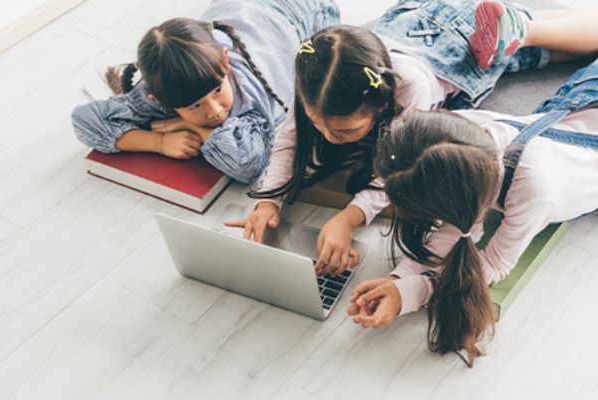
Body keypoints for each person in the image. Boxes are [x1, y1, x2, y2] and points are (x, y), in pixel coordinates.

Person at [228, 0, 598, 273]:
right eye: (318, 123)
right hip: (414, 18)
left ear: (379, 104)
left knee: (545, 45)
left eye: (344, 131)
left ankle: (520, 31)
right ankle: (523, 25)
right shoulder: (317, 79)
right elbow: (288, 139)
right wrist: (267, 202)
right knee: (550, 28)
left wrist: (350, 218)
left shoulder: (413, 89)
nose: (326, 135)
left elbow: (396, 168)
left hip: (460, 42)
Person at [347, 57, 598, 366]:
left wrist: (411, 292)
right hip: (576, 104)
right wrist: (399, 279)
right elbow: (456, 228)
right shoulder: (457, 140)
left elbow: (492, 263)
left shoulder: (535, 189)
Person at [71, 0, 340, 184]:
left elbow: (248, 165)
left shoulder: (249, 93)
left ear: (225, 62)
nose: (215, 111)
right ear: (159, 101)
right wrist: (158, 142)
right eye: (194, 107)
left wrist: (187, 125)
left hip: (301, 10)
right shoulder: (164, 89)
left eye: (217, 90)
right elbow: (85, 120)